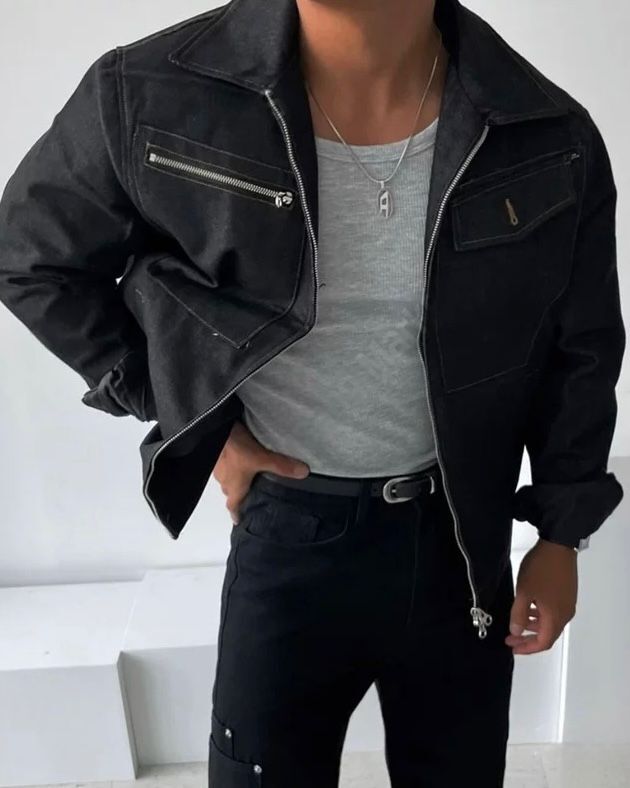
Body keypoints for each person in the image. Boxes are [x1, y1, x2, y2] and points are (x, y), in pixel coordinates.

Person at [0, 0, 624, 786]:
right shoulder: (153, 91)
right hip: (290, 535)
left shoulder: (545, 131)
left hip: (460, 547)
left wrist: (562, 536)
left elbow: (582, 347)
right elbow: (33, 259)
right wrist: (200, 426)